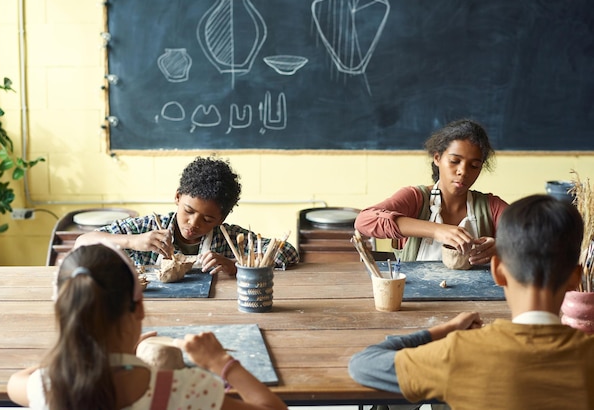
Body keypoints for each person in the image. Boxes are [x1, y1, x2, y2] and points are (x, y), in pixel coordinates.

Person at [348, 194, 594, 409]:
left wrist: (443, 331)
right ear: (576, 279)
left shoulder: (460, 353)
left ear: (497, 270)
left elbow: (363, 364)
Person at [7, 243, 288, 410]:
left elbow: (15, 382)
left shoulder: (48, 387)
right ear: (139, 307)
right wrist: (222, 362)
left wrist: (106, 345)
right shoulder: (185, 389)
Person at [75, 156, 299, 275]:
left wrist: (235, 265)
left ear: (221, 219)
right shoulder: (150, 228)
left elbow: (287, 253)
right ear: (177, 198)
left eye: (208, 220)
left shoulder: (227, 238)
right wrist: (133, 241)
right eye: (188, 211)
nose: (193, 224)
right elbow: (82, 242)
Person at [354, 119, 509, 266]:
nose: (463, 171)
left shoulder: (491, 207)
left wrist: (502, 247)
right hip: (415, 294)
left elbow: (530, 235)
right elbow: (364, 221)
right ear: (437, 158)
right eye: (455, 161)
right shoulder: (415, 199)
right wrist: (437, 230)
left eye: (474, 165)